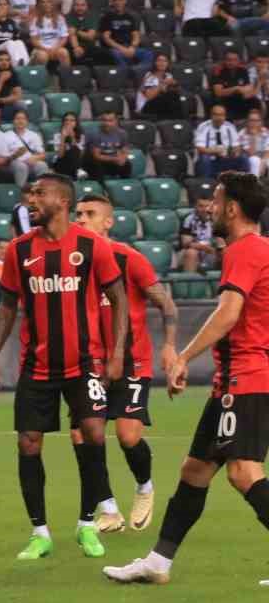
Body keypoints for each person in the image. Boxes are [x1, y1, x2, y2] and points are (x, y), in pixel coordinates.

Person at [104, 172, 269, 587]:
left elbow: (229, 313)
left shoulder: (245, 250)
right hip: (237, 379)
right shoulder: (259, 249)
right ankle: (159, 562)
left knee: (243, 472)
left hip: (246, 379)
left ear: (232, 208)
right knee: (195, 470)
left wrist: (182, 357)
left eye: (215, 200)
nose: (210, 208)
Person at [0, 175, 129, 559]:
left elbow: (118, 297)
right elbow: (7, 307)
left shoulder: (91, 245)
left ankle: (86, 525)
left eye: (39, 194)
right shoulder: (19, 250)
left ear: (62, 201)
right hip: (38, 366)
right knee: (28, 443)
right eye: (30, 194)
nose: (31, 200)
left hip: (85, 363)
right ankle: (40, 532)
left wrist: (115, 355)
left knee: (94, 434)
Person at [69, 195, 179, 535]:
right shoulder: (73, 262)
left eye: (90, 214)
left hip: (133, 361)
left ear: (108, 222)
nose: (82, 220)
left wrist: (170, 347)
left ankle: (144, 487)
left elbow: (166, 304)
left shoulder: (128, 259)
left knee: (128, 436)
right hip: (90, 364)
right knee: (82, 434)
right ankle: (109, 509)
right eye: (79, 214)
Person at [195, 104, 251, 179]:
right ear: (211, 115)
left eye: (221, 115)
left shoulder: (229, 126)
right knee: (205, 159)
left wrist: (232, 152)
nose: (219, 118)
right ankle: (207, 184)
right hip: (212, 160)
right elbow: (200, 148)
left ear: (225, 116)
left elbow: (237, 146)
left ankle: (246, 182)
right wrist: (215, 151)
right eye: (216, 115)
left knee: (243, 157)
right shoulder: (203, 127)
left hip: (227, 158)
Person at [84, 110, 135, 180]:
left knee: (127, 164)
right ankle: (100, 186)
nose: (107, 123)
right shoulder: (95, 134)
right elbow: (97, 156)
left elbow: (125, 150)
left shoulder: (122, 134)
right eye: (104, 120)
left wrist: (123, 158)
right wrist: (115, 159)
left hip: (112, 160)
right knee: (96, 164)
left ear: (116, 121)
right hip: (97, 162)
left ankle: (124, 185)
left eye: (110, 121)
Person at [178, 197, 220, 274]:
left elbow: (222, 241)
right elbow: (186, 243)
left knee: (227, 253)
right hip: (193, 251)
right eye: (201, 206)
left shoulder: (218, 219)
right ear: (195, 207)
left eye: (207, 206)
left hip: (212, 251)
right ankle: (189, 283)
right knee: (191, 253)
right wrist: (205, 248)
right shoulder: (189, 219)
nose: (204, 209)